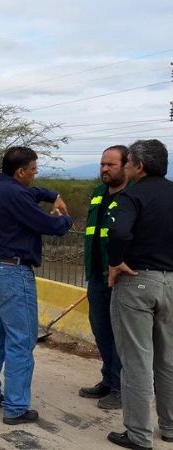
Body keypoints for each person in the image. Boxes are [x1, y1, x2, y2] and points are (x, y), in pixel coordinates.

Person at [0, 146, 72, 425]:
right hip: (13, 273)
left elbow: (34, 192)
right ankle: (16, 406)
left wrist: (51, 194)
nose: (35, 175)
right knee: (21, 340)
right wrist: (63, 216)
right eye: (33, 171)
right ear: (20, 172)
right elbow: (51, 226)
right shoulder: (16, 194)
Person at [106, 139, 173, 450]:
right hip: (171, 284)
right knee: (167, 359)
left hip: (137, 282)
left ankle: (138, 435)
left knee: (136, 361)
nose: (127, 166)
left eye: (129, 161)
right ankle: (170, 427)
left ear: (140, 167)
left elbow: (119, 232)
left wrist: (115, 262)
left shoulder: (133, 195)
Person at [79, 145, 130, 410]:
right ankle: (108, 380)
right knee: (101, 330)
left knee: (121, 335)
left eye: (111, 164)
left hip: (121, 279)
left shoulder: (132, 196)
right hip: (97, 276)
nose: (105, 169)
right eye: (102, 164)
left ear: (126, 166)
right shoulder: (98, 193)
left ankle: (121, 388)